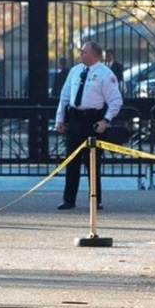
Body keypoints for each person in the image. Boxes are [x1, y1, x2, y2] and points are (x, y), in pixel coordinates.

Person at [55, 40, 122, 211]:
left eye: (84, 52)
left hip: (92, 121)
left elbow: (115, 101)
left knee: (92, 163)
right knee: (72, 161)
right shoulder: (75, 71)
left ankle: (95, 199)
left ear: (94, 55)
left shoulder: (105, 74)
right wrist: (60, 119)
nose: (81, 55)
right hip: (75, 119)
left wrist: (106, 121)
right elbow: (65, 96)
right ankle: (68, 200)